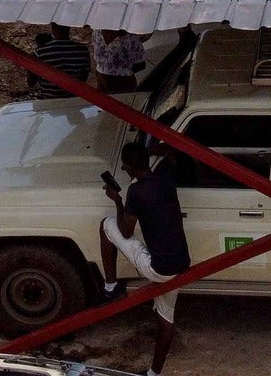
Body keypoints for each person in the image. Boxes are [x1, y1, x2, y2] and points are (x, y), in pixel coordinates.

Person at [99, 141, 190, 376]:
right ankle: (154, 373)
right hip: (180, 264)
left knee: (107, 225)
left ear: (127, 167)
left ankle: (110, 286)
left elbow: (126, 231)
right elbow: (173, 155)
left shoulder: (136, 191)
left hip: (157, 268)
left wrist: (117, 200)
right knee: (166, 316)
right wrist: (158, 150)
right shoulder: (165, 177)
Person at [29, 23, 92, 97]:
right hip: (72, 100)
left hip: (47, 100)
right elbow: (83, 78)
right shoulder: (82, 50)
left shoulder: (39, 52)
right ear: (69, 27)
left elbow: (31, 83)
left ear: (53, 27)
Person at [92, 28, 146, 93]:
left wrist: (122, 70)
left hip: (123, 82)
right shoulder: (97, 33)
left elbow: (141, 64)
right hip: (101, 81)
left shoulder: (130, 37)